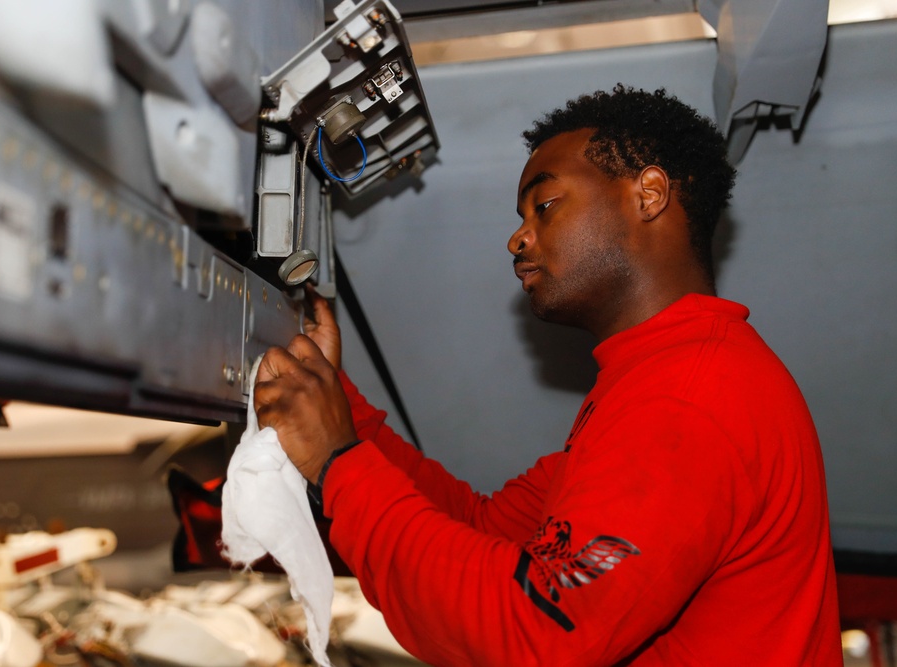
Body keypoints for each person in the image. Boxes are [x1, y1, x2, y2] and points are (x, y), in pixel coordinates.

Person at [253, 85, 842, 666]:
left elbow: (533, 632)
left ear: (650, 194)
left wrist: (337, 464)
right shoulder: (655, 381)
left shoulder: (689, 399)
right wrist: (334, 404)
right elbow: (482, 528)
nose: (518, 237)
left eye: (546, 205)